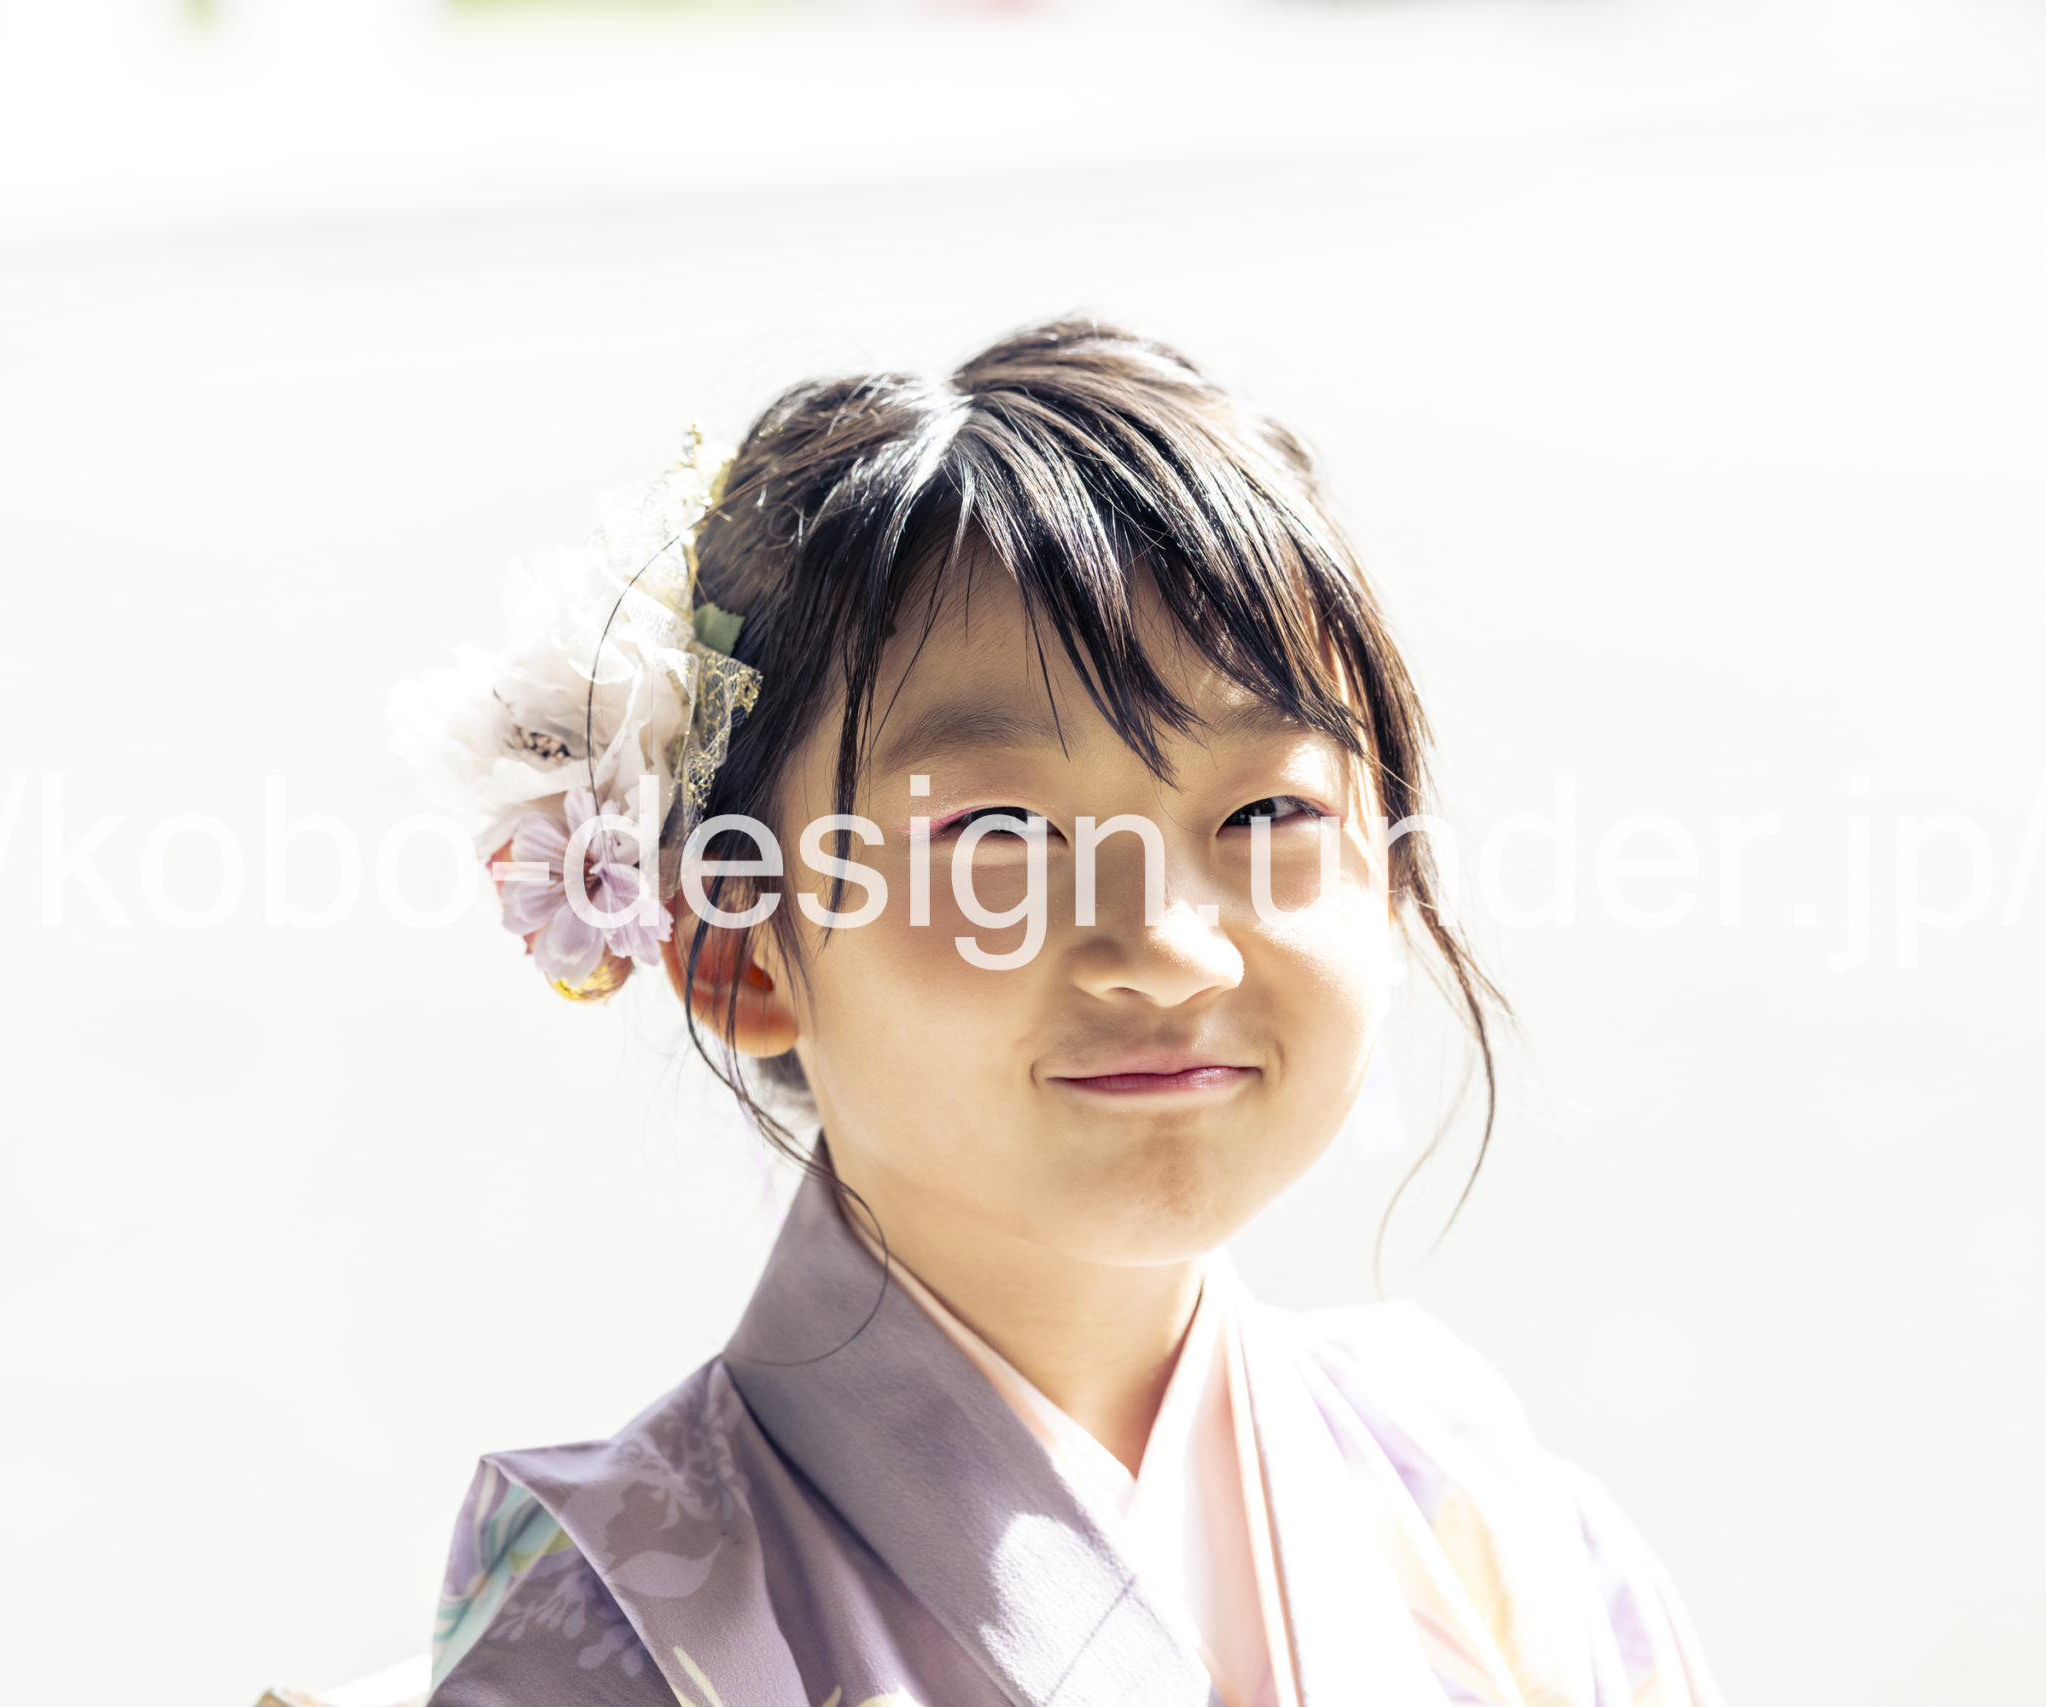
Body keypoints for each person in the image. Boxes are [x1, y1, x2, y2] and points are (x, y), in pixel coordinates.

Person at [386, 320, 1721, 1707]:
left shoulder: (1484, 1507)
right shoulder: (630, 1632)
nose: (1169, 950)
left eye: (1269, 811)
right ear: (740, 952)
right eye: (1001, 833)